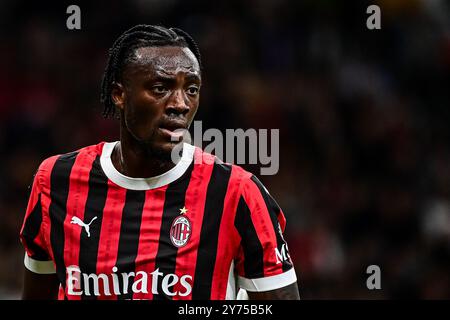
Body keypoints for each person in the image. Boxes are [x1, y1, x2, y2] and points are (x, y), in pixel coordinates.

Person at [19, 24, 300, 300]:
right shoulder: (56, 180)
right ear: (119, 94)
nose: (180, 103)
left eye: (191, 89)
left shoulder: (236, 192)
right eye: (160, 87)